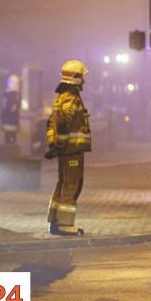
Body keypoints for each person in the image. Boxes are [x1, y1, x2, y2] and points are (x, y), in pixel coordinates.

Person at [44, 60, 91, 236]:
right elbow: (63, 123)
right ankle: (65, 225)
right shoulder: (71, 98)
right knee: (72, 185)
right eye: (82, 77)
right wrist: (61, 144)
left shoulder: (61, 96)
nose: (84, 80)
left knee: (62, 183)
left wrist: (54, 144)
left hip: (66, 150)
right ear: (75, 78)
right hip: (72, 151)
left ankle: (54, 220)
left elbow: (52, 122)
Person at [1, 74, 21, 145]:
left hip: (9, 122)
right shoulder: (13, 96)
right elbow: (10, 109)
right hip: (11, 121)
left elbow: (5, 108)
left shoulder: (7, 95)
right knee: (11, 141)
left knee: (9, 140)